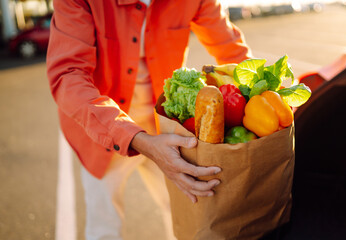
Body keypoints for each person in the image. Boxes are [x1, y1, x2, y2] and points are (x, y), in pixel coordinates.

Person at [46, 0, 252, 239]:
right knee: (105, 225)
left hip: (166, 126)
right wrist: (135, 138)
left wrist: (264, 96)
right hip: (102, 130)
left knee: (185, 216)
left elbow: (232, 50)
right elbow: (68, 75)